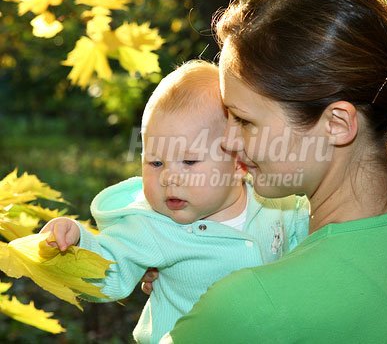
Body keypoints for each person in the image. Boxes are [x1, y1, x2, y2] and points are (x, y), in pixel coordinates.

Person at [150, 0, 387, 343]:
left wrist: (177, 302)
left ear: (337, 123)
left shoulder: (247, 307)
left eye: (244, 120)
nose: (228, 141)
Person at [40, 60, 309, 344]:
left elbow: (317, 233)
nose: (169, 177)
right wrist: (76, 246)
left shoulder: (276, 204)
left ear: (239, 161)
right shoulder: (152, 225)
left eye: (189, 161)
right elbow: (109, 270)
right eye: (155, 162)